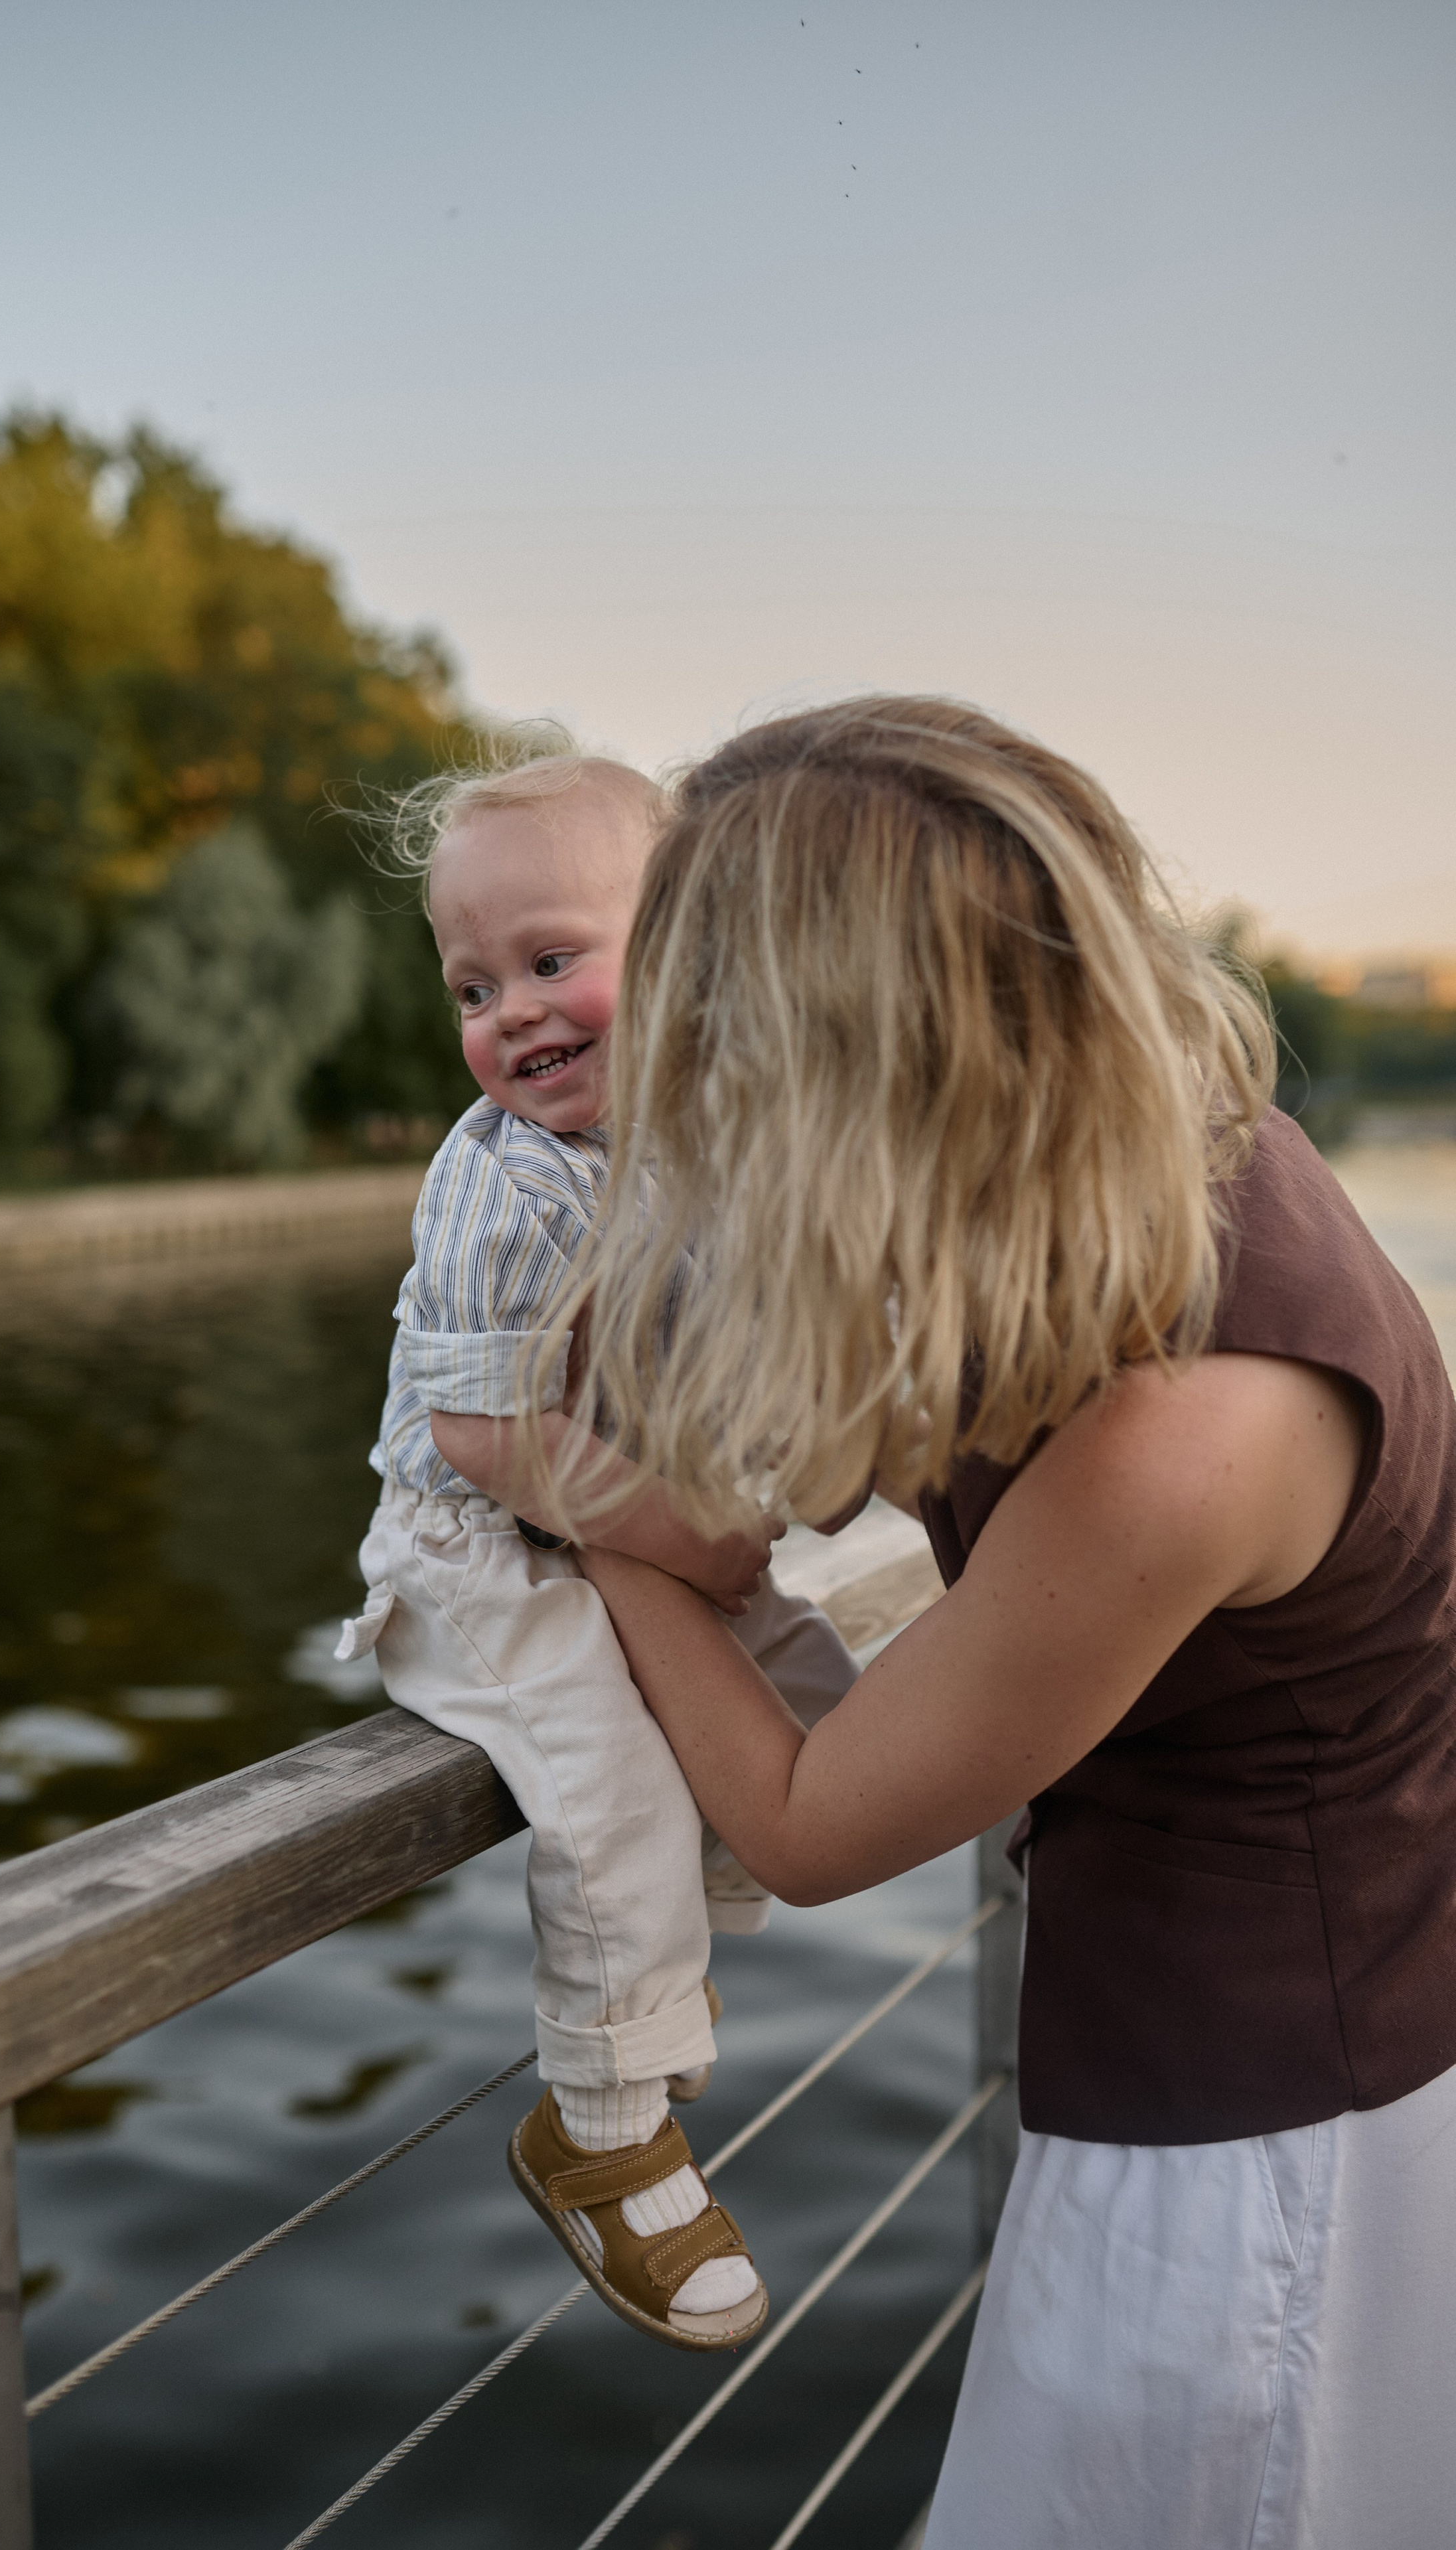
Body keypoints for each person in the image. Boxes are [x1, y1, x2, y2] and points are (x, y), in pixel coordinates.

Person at [552, 697, 1456, 2547]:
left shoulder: (1184, 1439)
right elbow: (867, 1455)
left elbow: (804, 1822)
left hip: (1254, 2166)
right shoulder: (1175, 1157)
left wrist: (596, 1533)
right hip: (1262, 2066)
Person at [334, 752, 857, 2352]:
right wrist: (691, 1540)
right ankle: (603, 2124)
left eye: (551, 959)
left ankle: (668, 1939)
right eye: (472, 986)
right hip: (479, 1548)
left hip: (615, 1513)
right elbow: (483, 1438)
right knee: (609, 1787)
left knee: (822, 1695)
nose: (511, 1013)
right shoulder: (503, 1181)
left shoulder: (707, 1138)